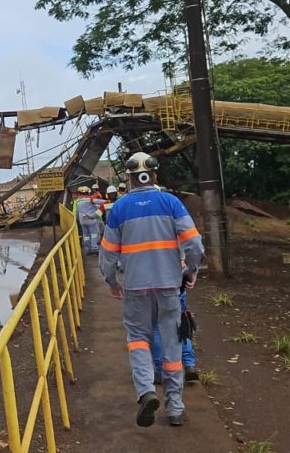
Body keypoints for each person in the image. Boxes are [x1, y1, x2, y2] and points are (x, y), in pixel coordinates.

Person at [99, 152, 203, 428]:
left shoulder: (119, 208)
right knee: (172, 344)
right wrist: (192, 270)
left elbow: (107, 253)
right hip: (169, 286)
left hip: (136, 288)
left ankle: (146, 390)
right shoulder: (171, 202)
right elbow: (194, 243)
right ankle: (175, 408)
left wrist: (111, 281)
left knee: (138, 339)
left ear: (130, 178)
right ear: (154, 175)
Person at [73, 186, 105, 255]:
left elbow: (77, 212)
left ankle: (88, 249)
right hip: (91, 220)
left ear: (79, 193)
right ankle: (95, 248)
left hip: (82, 221)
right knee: (94, 235)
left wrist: (78, 220)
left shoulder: (77, 201)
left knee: (86, 236)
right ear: (88, 193)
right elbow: (102, 202)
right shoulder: (90, 199)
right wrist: (109, 201)